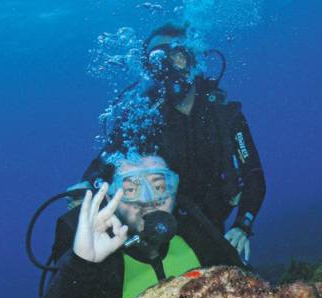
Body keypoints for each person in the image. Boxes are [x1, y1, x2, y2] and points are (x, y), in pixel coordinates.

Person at [80, 22, 266, 264]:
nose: (168, 68)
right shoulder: (145, 118)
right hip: (159, 229)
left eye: (176, 57)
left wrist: (242, 225)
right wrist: (86, 187)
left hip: (212, 224)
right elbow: (108, 159)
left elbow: (253, 175)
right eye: (158, 62)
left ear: (192, 60)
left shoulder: (224, 115)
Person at [28, 154, 242, 298]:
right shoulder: (102, 263)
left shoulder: (196, 236)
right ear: (110, 197)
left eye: (159, 186)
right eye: (131, 189)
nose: (149, 199)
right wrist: (81, 263)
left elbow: (244, 290)